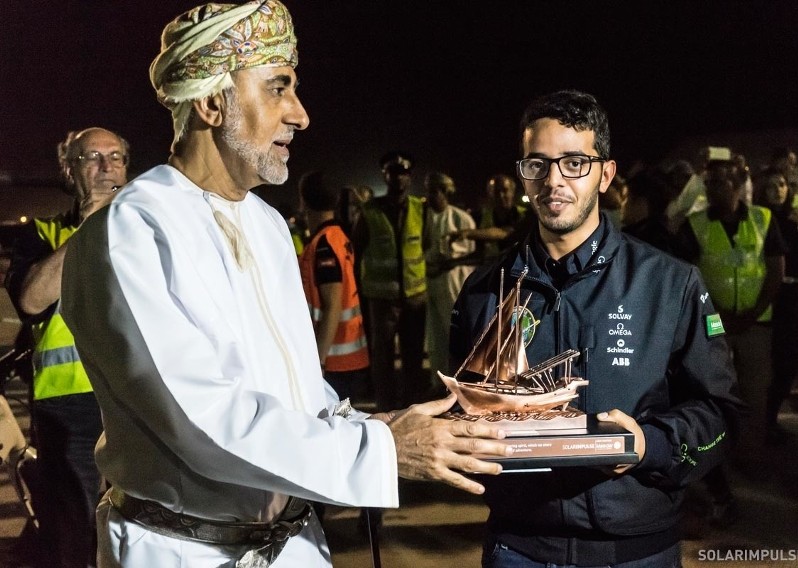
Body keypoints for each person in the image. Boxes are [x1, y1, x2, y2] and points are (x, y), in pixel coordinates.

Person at [59, 3, 510, 567]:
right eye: (279, 88)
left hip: (294, 544)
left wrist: (370, 423)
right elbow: (197, 417)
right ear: (210, 101)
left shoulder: (268, 224)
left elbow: (291, 384)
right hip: (186, 552)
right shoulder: (132, 229)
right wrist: (376, 452)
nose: (300, 115)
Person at [449, 89, 741, 568]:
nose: (553, 181)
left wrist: (650, 445)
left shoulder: (669, 283)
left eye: (574, 163)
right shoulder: (484, 290)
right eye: (537, 164)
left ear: (605, 174)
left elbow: (721, 415)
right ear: (522, 172)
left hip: (636, 550)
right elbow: (464, 402)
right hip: (519, 547)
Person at [5, 126, 129, 568]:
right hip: (69, 409)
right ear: (67, 170)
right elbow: (32, 298)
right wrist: (95, 225)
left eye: (115, 157)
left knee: (144, 526)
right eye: (91, 158)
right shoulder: (43, 233)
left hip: (139, 400)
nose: (105, 167)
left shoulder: (146, 230)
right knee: (74, 531)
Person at [678, 164, 785, 457]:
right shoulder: (694, 223)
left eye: (720, 183)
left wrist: (753, 312)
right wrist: (717, 316)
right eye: (709, 183)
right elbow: (686, 278)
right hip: (713, 322)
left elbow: (776, 271)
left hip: (756, 322)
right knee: (713, 387)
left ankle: (750, 451)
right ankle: (716, 453)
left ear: (738, 185)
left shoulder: (763, 219)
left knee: (754, 390)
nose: (712, 190)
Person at [352, 150, 430, 410]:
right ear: (385, 176)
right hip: (382, 300)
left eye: (404, 174)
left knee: (413, 357)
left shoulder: (421, 209)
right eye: (393, 173)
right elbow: (358, 250)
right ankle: (385, 409)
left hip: (415, 298)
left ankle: (413, 408)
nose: (399, 179)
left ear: (409, 177)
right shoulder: (369, 211)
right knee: (382, 358)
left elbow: (425, 246)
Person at [298, 171, 369, 402]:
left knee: (338, 420)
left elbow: (332, 305)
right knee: (344, 419)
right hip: (347, 355)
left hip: (334, 360)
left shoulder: (323, 245)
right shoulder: (338, 236)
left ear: (304, 202)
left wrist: (317, 361)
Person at [752, 169, 798, 442]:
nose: (778, 190)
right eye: (772, 185)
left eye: (783, 184)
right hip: (774, 296)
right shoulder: (759, 220)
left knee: (792, 357)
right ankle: (764, 422)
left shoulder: (792, 220)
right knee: (775, 361)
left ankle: (770, 418)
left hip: (793, 294)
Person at [423, 171, 476, 381]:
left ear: (446, 192)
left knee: (453, 331)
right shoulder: (422, 217)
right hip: (430, 281)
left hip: (453, 281)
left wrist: (449, 263)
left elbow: (472, 254)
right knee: (434, 336)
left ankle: (460, 379)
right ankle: (437, 380)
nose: (430, 195)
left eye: (435, 190)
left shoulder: (461, 218)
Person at [452, 174, 532, 263]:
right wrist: (455, 262)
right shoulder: (481, 216)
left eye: (505, 191)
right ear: (490, 194)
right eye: (496, 192)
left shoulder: (524, 215)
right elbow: (480, 253)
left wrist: (468, 233)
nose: (501, 195)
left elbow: (505, 232)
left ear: (512, 192)